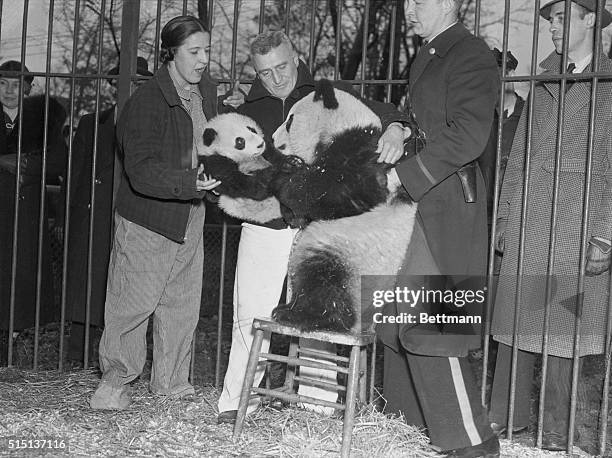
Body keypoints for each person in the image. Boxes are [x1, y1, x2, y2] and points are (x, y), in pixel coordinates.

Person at [216, 30, 409, 424]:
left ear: (296, 56)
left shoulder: (327, 92)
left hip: (320, 225)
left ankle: (316, 408)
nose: (276, 78)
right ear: (255, 72)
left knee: (320, 314)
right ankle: (237, 402)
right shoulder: (246, 109)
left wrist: (397, 127)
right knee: (249, 314)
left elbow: (381, 110)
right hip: (267, 224)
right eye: (265, 72)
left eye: (282, 67)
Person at [377, 0, 501, 456]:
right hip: (422, 205)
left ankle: (473, 442)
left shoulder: (469, 52)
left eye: (420, 1)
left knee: (434, 325)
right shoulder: (430, 54)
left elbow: (469, 135)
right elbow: (424, 120)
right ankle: (407, 429)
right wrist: (398, 127)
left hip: (445, 203)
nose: (410, 8)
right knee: (402, 318)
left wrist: (402, 175)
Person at [491, 0, 612, 451]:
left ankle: (558, 435)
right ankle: (507, 421)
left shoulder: (608, 82)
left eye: (563, 17)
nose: (554, 26)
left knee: (567, 331)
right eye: (550, 18)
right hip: (530, 215)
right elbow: (520, 151)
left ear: (591, 19)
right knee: (516, 321)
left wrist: (605, 234)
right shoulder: (544, 78)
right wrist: (504, 214)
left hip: (579, 222)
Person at [89, 15, 221, 409]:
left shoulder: (204, 95)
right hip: (148, 218)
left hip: (190, 214)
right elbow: (140, 169)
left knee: (181, 303)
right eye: (194, 52)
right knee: (133, 303)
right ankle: (115, 382)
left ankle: (171, 383)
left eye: (207, 51)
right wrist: (188, 183)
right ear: (171, 53)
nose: (202, 60)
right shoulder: (146, 101)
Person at [66, 57, 153, 363]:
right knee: (88, 283)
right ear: (113, 85)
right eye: (125, 82)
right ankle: (79, 359)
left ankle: (119, 359)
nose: (131, 89)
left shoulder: (154, 124)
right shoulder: (92, 123)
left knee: (128, 288)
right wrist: (68, 217)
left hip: (136, 215)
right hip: (95, 216)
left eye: (140, 83)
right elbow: (75, 173)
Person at [0, 61, 66, 342]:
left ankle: (14, 336)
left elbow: (58, 161)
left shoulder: (43, 120)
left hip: (24, 208)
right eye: (3, 83)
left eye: (17, 85)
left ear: (27, 89)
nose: (9, 91)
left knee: (20, 270)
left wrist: (23, 165)